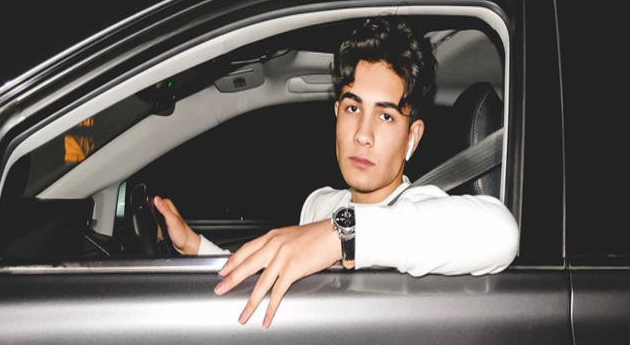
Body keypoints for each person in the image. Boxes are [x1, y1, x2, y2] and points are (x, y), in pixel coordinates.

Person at [153, 17, 520, 328]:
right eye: (352, 109)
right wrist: (195, 247)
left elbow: (501, 233)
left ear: (412, 138)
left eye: (385, 115)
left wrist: (341, 235)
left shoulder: (422, 206)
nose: (363, 134)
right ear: (336, 115)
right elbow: (271, 285)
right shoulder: (319, 204)